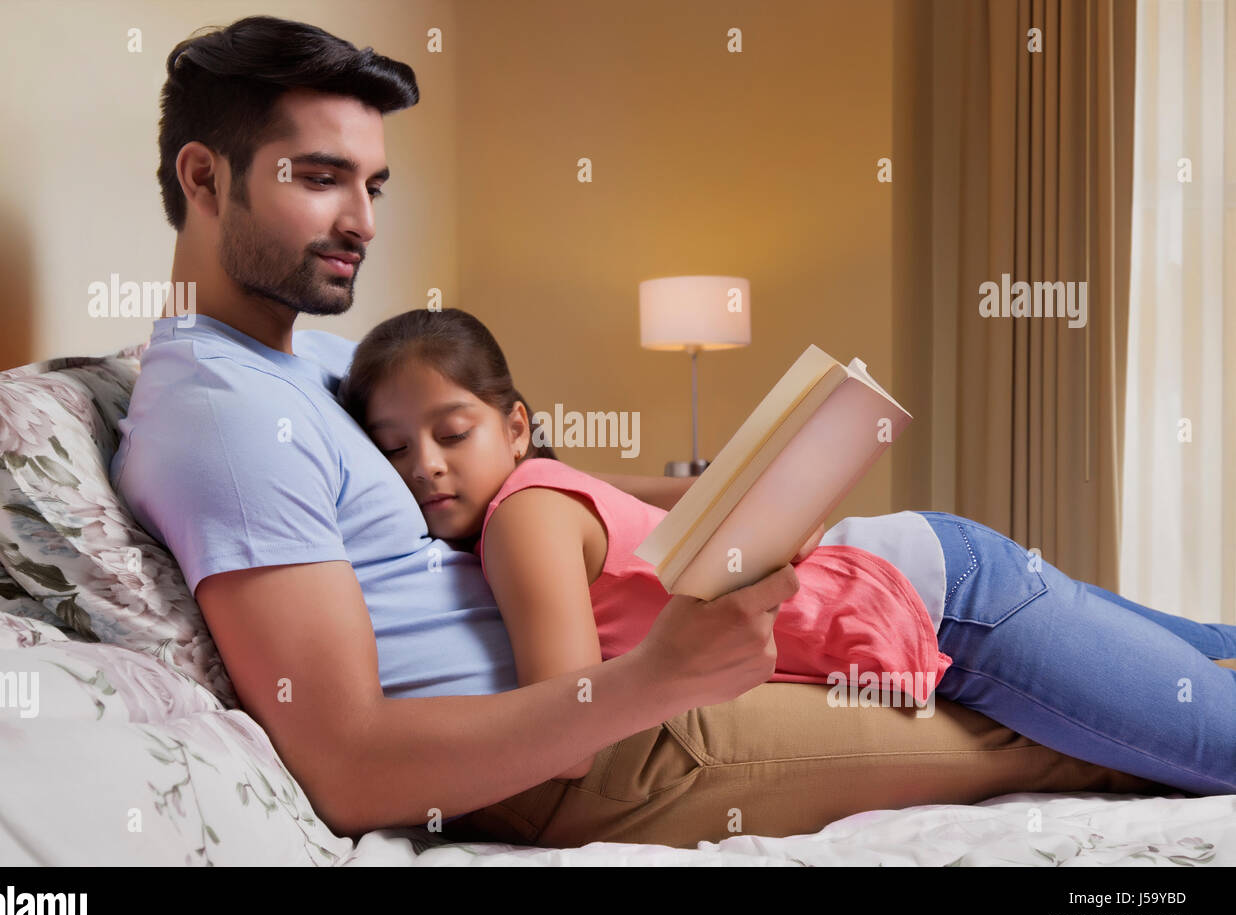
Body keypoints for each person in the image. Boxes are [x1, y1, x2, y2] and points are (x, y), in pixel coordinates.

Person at [111, 15, 1233, 848]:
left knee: (1123, 670)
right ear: (204, 178)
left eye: (374, 184)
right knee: (1085, 739)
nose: (359, 221)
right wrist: (653, 680)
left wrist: (720, 492)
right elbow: (350, 767)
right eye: (319, 178)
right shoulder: (224, 419)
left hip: (620, 696)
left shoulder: (302, 367)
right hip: (611, 740)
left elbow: (516, 475)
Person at [336, 307, 955, 774]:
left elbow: (567, 740)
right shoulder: (544, 492)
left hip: (932, 597)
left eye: (452, 433)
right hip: (894, 602)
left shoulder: (523, 517)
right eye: (391, 448)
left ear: (516, 426)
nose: (423, 466)